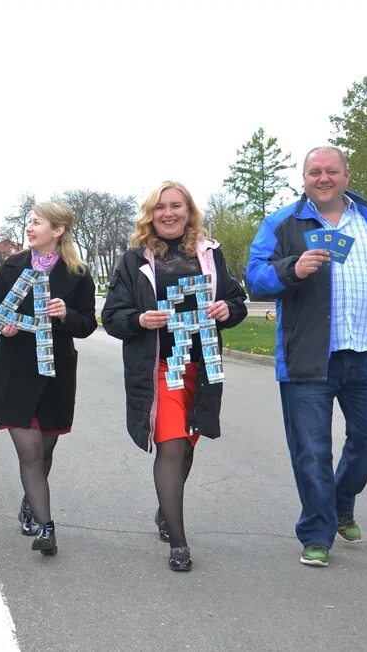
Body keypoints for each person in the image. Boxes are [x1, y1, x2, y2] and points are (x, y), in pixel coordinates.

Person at [245, 146, 367, 568]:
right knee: (310, 450)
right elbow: (254, 279)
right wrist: (292, 270)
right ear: (303, 178)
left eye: (331, 171)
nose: (323, 178)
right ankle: (317, 533)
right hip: (308, 356)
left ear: (346, 175)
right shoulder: (281, 224)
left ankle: (341, 500)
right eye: (314, 172)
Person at [102, 181, 246, 571]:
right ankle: (179, 543)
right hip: (161, 367)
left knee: (187, 447)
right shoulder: (135, 261)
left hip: (202, 367)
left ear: (189, 211)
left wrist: (225, 310)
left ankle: (166, 511)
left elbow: (236, 303)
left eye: (176, 206)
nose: (169, 213)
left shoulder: (209, 254)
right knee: (171, 445)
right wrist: (140, 319)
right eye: (161, 207)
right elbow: (112, 317)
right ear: (151, 214)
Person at [0, 201, 97, 556]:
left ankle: (31, 502)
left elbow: (89, 323)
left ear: (58, 230)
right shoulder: (11, 267)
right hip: (15, 371)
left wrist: (67, 315)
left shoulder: (77, 273)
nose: (29, 228)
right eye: (29, 222)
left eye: (37, 223)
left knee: (44, 448)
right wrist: (4, 324)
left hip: (55, 373)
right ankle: (47, 528)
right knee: (29, 451)